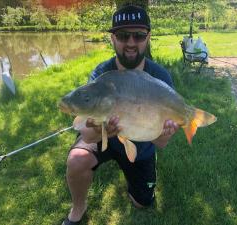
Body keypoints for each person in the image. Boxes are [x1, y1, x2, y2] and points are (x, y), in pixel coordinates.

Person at [62, 5, 179, 225]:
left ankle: (136, 179)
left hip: (141, 143)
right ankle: (78, 208)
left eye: (139, 35)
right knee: (77, 160)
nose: (131, 42)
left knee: (142, 202)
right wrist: (100, 129)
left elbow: (162, 142)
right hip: (103, 139)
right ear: (113, 39)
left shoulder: (161, 78)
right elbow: (86, 135)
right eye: (123, 35)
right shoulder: (102, 75)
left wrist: (164, 131)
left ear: (148, 37)